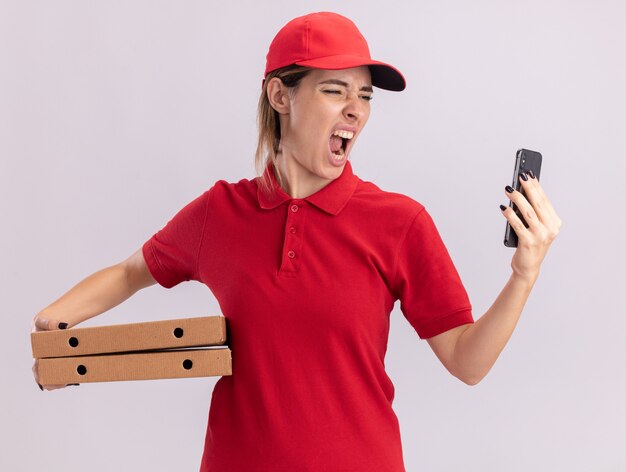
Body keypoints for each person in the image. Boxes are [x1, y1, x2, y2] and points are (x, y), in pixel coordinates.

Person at [32, 11, 562, 472]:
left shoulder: (400, 223)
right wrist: (56, 333)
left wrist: (524, 273)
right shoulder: (221, 212)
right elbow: (131, 272)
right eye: (334, 90)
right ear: (280, 94)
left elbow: (467, 362)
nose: (356, 110)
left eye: (364, 96)